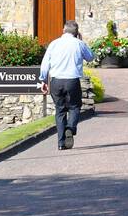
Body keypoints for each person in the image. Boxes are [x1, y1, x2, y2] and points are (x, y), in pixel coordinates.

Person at [39, 20, 94, 150]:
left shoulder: (54, 43)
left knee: (60, 110)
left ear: (63, 30)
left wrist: (43, 80)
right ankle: (70, 128)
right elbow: (91, 57)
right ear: (76, 32)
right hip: (72, 80)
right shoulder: (79, 44)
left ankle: (61, 143)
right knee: (74, 107)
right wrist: (81, 41)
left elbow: (45, 63)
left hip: (56, 81)